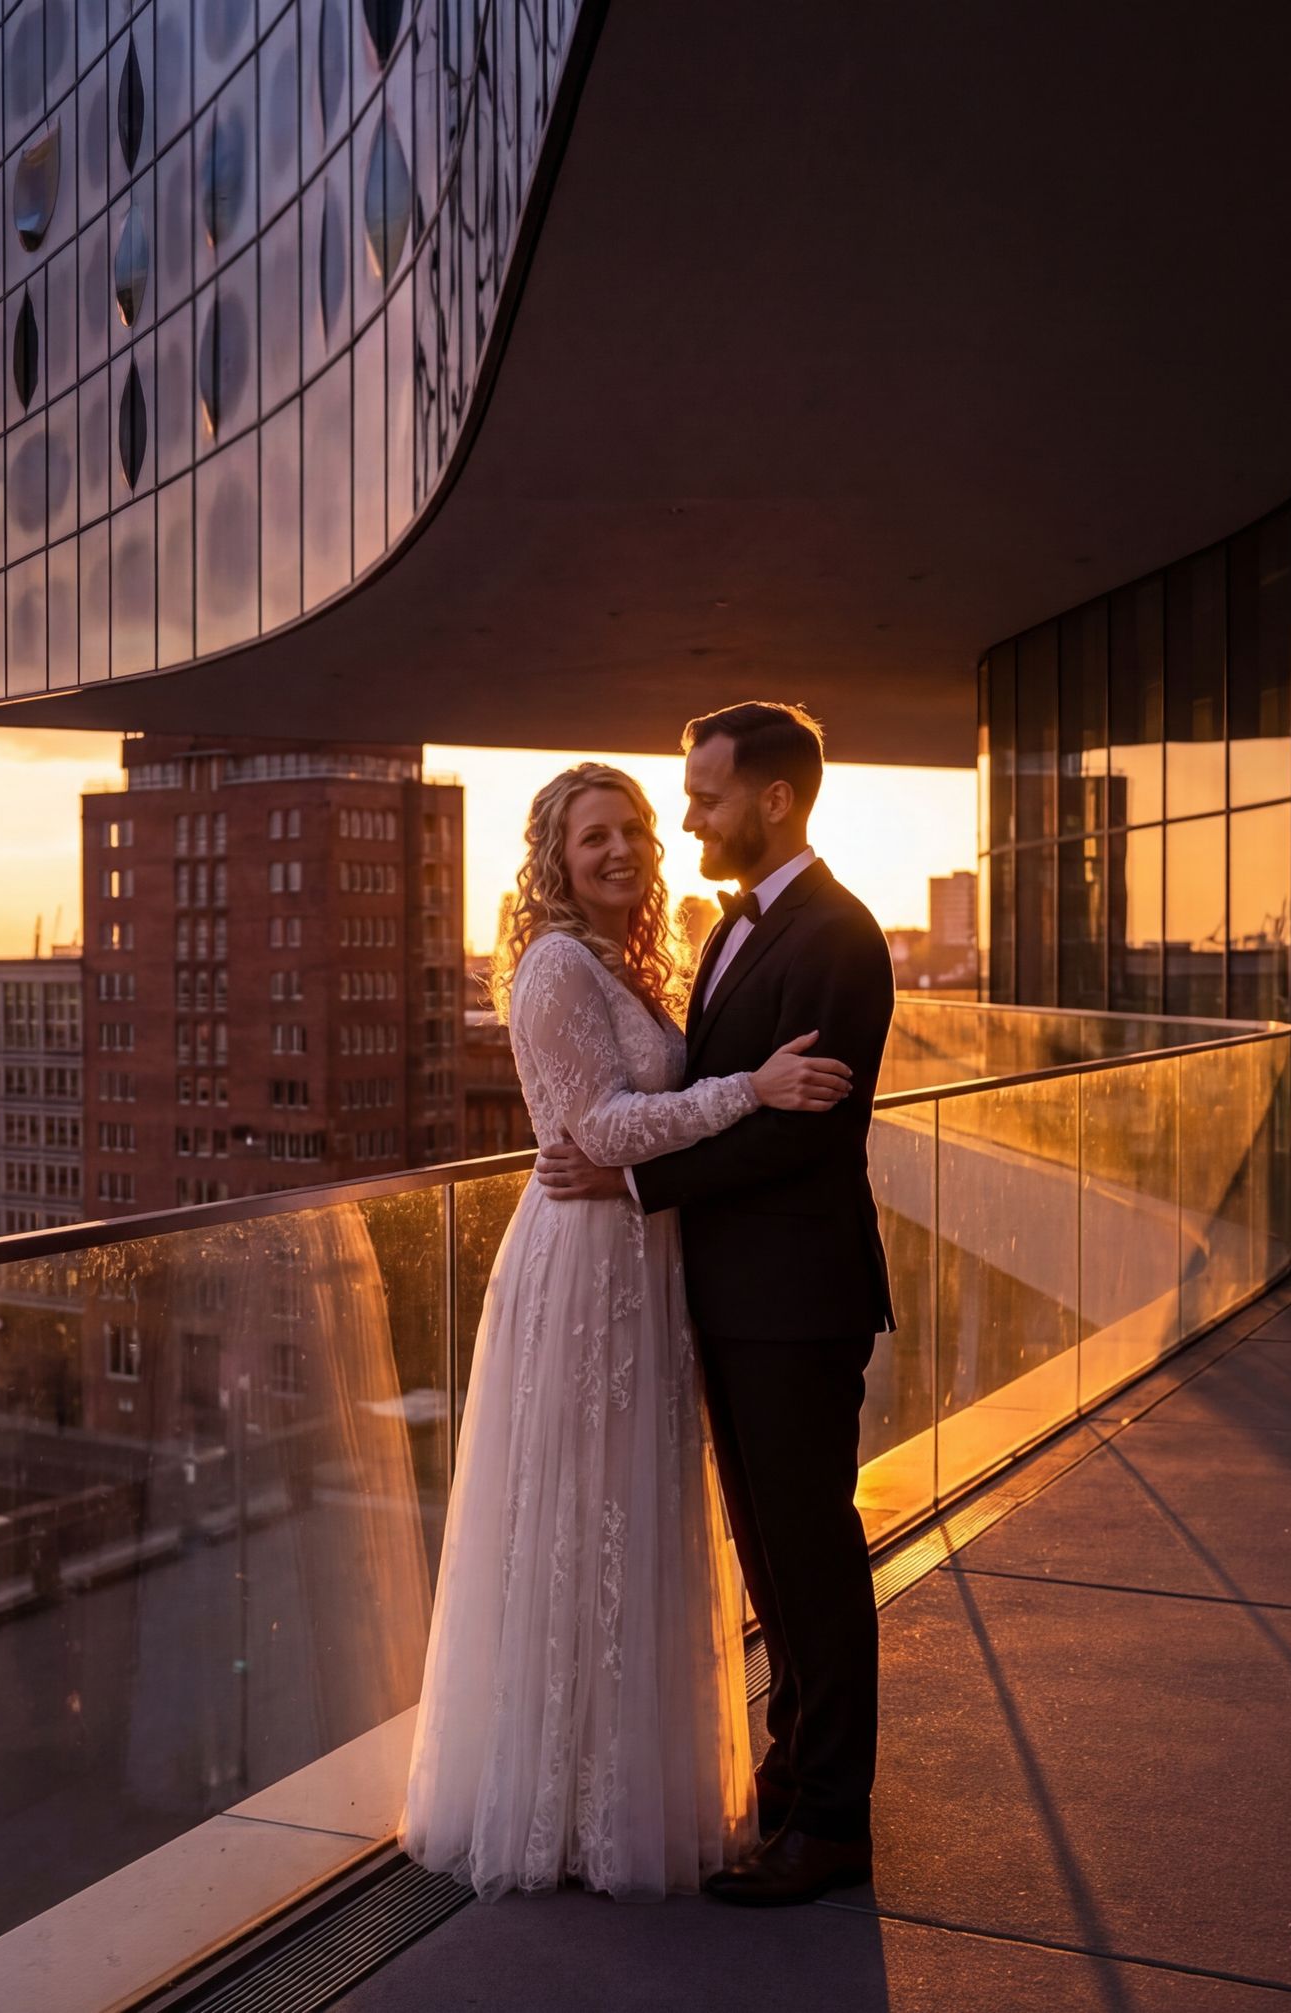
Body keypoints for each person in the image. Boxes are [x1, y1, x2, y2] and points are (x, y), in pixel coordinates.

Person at [400, 760, 855, 1900]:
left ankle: (625, 1786)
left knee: (629, 1520)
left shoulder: (634, 962)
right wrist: (751, 1089)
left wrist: (693, 1131)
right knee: (581, 1518)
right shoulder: (555, 965)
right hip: (584, 1268)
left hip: (644, 1258)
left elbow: (623, 1132)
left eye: (637, 831)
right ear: (553, 855)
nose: (624, 850)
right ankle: (563, 1804)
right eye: (595, 834)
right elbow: (599, 1128)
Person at [535, 701, 896, 1906]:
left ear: (774, 800)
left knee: (813, 1557)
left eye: (703, 796)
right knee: (773, 1561)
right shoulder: (735, 931)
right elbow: (733, 1094)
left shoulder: (837, 936)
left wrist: (634, 1175)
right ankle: (795, 1777)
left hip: (796, 1298)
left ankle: (833, 1819)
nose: (684, 815)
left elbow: (807, 1133)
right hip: (734, 1301)